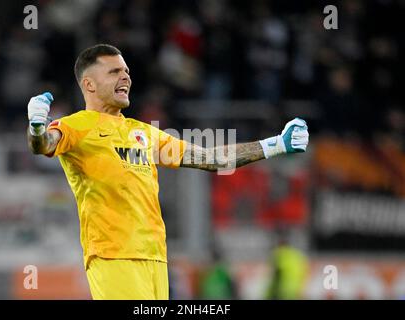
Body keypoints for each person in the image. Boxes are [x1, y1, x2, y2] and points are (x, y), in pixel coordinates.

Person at [26, 43, 309, 300]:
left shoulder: (143, 133)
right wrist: (37, 127)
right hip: (113, 256)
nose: (125, 77)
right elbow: (43, 145)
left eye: (126, 71)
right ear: (88, 84)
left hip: (156, 258)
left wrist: (274, 145)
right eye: (114, 72)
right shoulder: (78, 126)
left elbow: (211, 159)